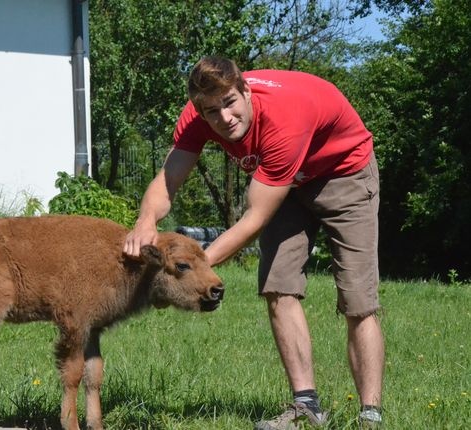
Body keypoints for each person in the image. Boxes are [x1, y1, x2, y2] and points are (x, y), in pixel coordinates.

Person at [123, 56, 385, 429]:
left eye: (230, 103)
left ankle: (370, 416)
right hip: (281, 183)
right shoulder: (197, 115)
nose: (224, 118)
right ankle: (306, 408)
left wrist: (188, 271)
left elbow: (253, 221)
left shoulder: (284, 119)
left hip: (343, 173)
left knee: (358, 299)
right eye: (212, 111)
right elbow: (168, 180)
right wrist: (145, 221)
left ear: (246, 90)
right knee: (278, 285)